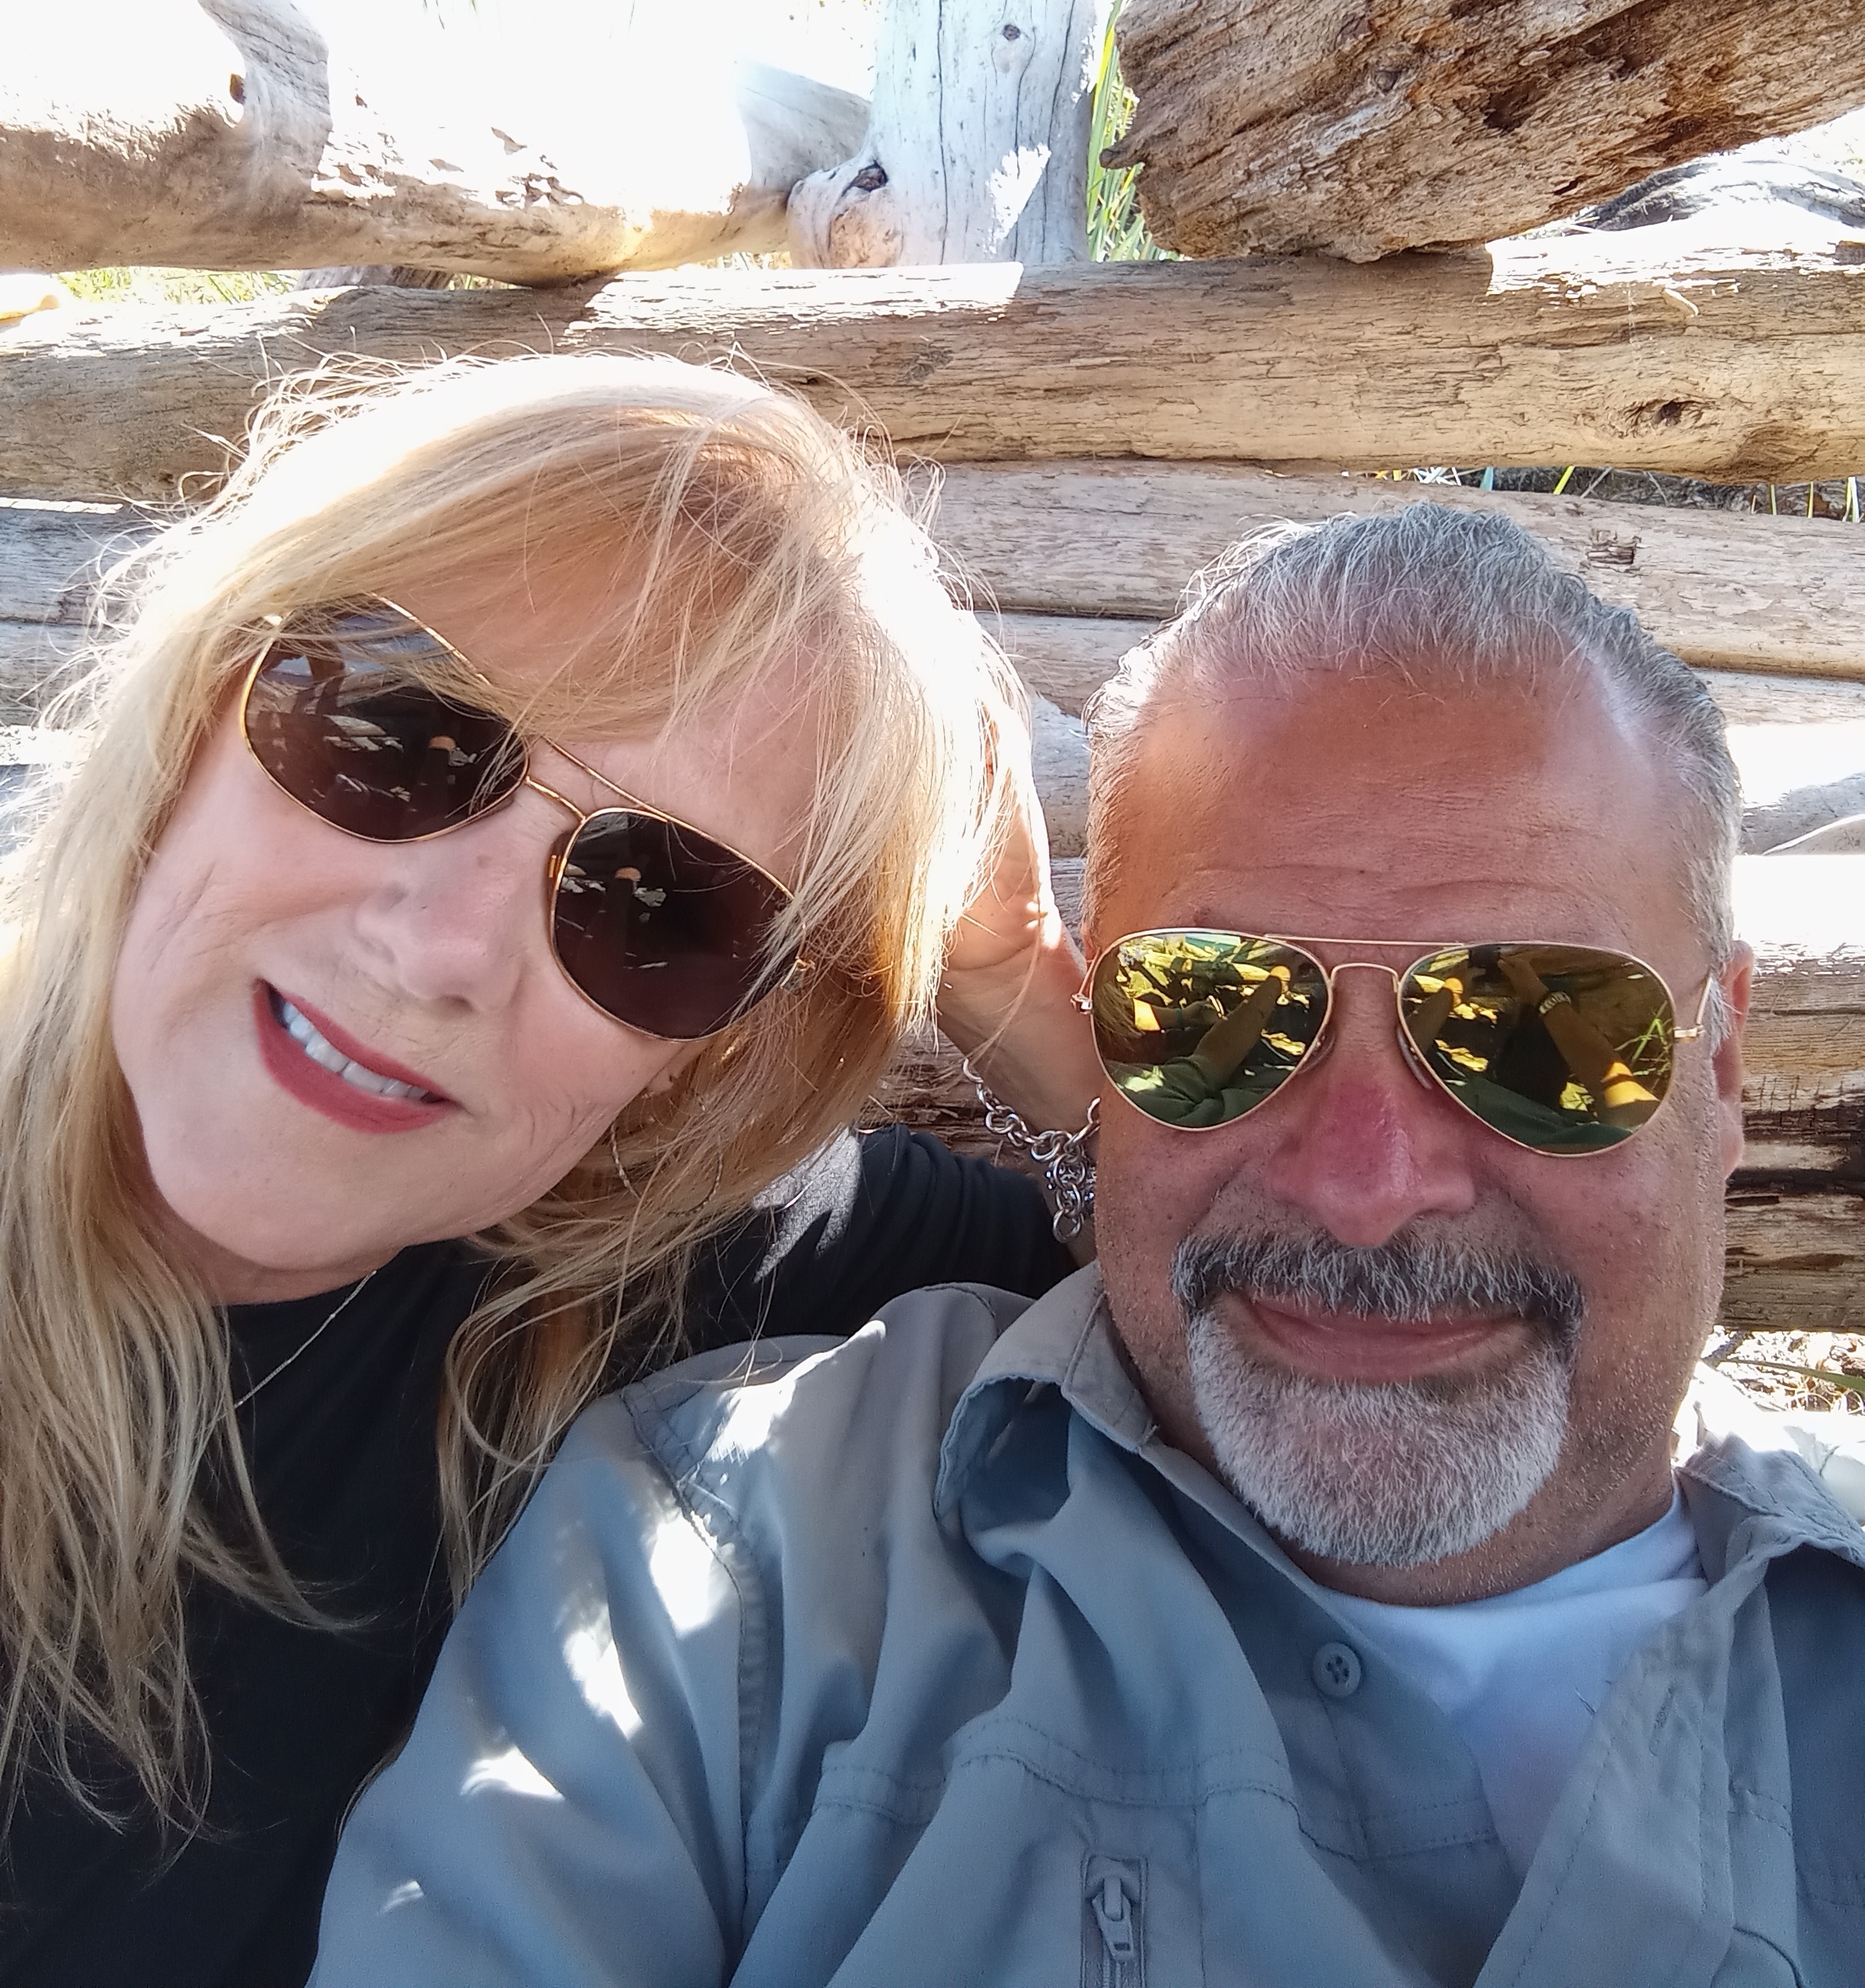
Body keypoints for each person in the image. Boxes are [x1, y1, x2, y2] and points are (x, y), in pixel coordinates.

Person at [311, 501, 1865, 1988]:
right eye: (1216, 1014)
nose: (1366, 1186)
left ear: (1720, 1065)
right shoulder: (725, 1580)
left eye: (1535, 1031)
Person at [0, 350, 1100, 1988]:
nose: (441, 949)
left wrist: (1013, 986)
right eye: (394, 733)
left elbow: (1234, 1310)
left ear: (711, 1058)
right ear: (202, 698)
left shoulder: (640, 1268)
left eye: (662, 908)